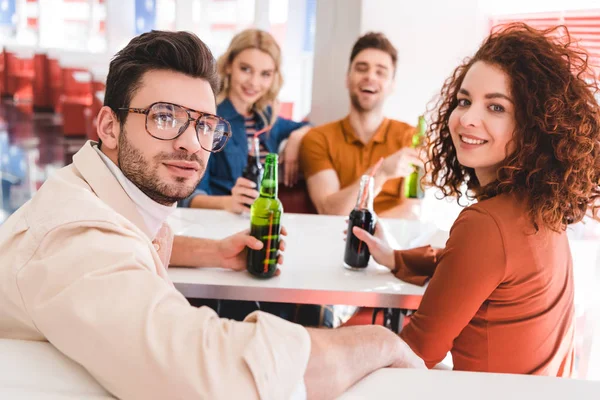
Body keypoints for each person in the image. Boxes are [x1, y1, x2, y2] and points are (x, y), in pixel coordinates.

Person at [0, 31, 426, 399]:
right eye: (164, 117)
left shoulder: (99, 199)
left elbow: (125, 242)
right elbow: (221, 375)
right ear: (109, 127)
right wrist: (380, 342)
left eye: (204, 124)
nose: (191, 143)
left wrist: (215, 253)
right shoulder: (74, 241)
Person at [352, 23, 600, 375]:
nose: (467, 118)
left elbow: (418, 352)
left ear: (534, 126)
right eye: (464, 101)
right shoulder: (540, 209)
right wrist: (395, 257)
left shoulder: (487, 223)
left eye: (496, 108)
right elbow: (475, 267)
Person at [182, 29, 310, 214]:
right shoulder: (209, 120)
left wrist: (297, 138)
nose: (254, 82)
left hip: (259, 222)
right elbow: (189, 197)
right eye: (245, 69)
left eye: (265, 74)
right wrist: (228, 203)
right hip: (218, 224)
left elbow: (308, 127)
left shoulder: (267, 119)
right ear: (228, 66)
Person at [299, 32, 423, 219]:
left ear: (392, 85)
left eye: (381, 72)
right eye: (361, 68)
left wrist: (368, 235)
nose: (370, 77)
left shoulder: (410, 137)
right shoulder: (318, 139)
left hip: (392, 245)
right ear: (347, 79)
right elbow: (330, 211)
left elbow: (411, 211)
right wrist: (380, 172)